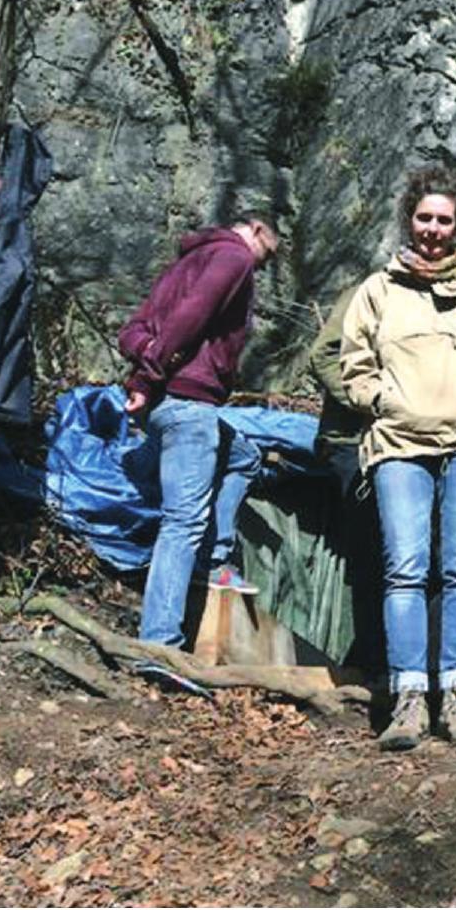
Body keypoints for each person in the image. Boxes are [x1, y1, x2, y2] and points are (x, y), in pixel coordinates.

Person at [341, 166, 456, 750]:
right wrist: (381, 401)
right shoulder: (378, 290)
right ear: (409, 219)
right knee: (405, 569)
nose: (433, 230)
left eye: (444, 220)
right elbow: (353, 363)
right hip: (399, 442)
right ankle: (409, 701)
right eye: (425, 218)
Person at [117, 216, 281, 675]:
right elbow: (191, 318)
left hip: (167, 402)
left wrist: (143, 378)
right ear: (253, 227)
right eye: (265, 253)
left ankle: (211, 561)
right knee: (182, 523)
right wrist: (151, 374)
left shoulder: (187, 261)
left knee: (244, 455)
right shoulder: (233, 256)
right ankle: (159, 647)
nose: (261, 266)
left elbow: (133, 331)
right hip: (190, 403)